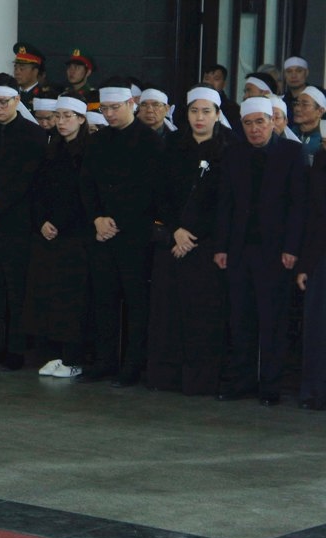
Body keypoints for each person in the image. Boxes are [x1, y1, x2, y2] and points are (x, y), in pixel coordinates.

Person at [214, 97, 306, 406]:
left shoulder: (292, 153)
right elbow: (225, 204)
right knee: (240, 319)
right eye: (248, 123)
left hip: (276, 251)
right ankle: (241, 381)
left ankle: (270, 385)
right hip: (240, 250)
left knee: (273, 320)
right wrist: (221, 247)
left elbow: (298, 206)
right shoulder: (234, 154)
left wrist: (292, 247)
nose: (255, 129)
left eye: (260, 122)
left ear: (273, 122)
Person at [146, 85, 233, 395]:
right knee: (167, 312)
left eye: (206, 112)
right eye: (194, 111)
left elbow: (225, 202)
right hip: (172, 241)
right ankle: (164, 376)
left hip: (205, 245)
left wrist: (195, 234)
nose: (200, 118)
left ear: (217, 115)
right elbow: (159, 194)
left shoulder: (228, 151)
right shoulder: (172, 147)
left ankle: (200, 380)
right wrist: (175, 230)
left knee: (202, 314)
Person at [79, 78, 165, 387]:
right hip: (101, 232)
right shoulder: (99, 140)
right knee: (104, 298)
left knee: (135, 301)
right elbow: (87, 183)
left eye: (115, 108)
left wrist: (116, 222)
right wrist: (98, 219)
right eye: (105, 109)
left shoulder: (149, 140)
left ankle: (132, 363)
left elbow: (149, 190)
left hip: (133, 234)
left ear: (132, 105)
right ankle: (105, 360)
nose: (110, 115)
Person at [0, 73, 49, 370]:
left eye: (3, 102)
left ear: (17, 100)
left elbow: (26, 178)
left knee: (16, 287)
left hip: (16, 221)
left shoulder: (33, 134)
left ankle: (16, 349)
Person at [25, 94, 92, 378]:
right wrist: (42, 221)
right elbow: (38, 190)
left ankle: (73, 358)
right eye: (58, 116)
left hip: (75, 235)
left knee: (72, 300)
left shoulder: (88, 150)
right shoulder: (51, 149)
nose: (62, 122)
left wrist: (60, 223)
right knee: (49, 296)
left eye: (68, 116)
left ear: (80, 119)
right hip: (50, 233)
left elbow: (83, 194)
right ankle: (54, 354)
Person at [297, 148, 326, 409]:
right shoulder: (320, 162)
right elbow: (314, 218)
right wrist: (305, 265)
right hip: (321, 257)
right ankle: (316, 392)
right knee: (318, 328)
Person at [288, 86, 326, 166]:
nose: (297, 109)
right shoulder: (289, 134)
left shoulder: (323, 138)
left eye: (304, 105)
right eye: (296, 104)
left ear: (320, 111)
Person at [12, 42, 46, 109]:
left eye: (22, 68)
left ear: (35, 71)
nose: (17, 72)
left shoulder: (43, 95)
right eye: (15, 68)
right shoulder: (11, 93)